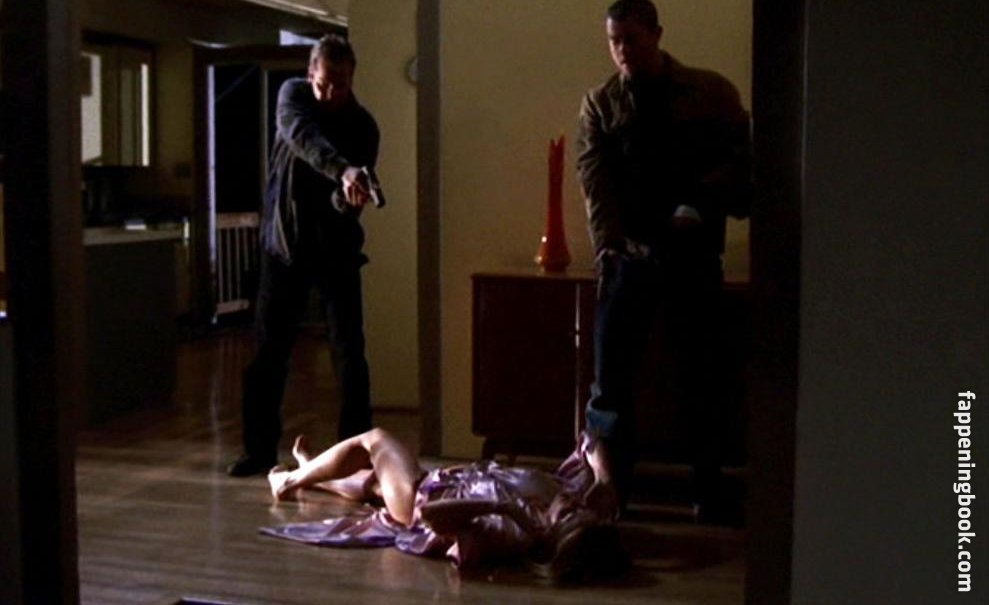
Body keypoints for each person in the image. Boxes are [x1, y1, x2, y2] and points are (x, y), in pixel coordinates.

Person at [577, 0, 751, 521]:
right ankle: (614, 492)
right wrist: (607, 247)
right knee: (610, 385)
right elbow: (595, 180)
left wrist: (700, 202)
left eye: (631, 39)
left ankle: (708, 492)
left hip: (693, 254)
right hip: (630, 256)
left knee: (703, 377)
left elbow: (743, 163)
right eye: (614, 41)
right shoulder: (602, 104)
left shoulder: (711, 92)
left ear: (656, 34)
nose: (622, 51)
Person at [228, 34, 381, 477]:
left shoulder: (363, 127)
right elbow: (302, 138)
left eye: (342, 85)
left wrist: (348, 195)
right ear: (311, 74)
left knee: (349, 356)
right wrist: (343, 170)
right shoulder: (293, 97)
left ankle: (356, 455)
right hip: (284, 248)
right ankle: (259, 451)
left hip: (336, 252)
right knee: (268, 354)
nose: (332, 93)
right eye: (324, 83)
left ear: (353, 79)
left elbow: (341, 205)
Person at [263, 428, 626, 580]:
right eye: (580, 510)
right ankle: (309, 469)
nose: (573, 503)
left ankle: (289, 480)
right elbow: (592, 440)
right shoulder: (569, 499)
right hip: (446, 480)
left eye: (569, 514)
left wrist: (502, 507)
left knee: (374, 441)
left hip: (419, 495)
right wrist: (605, 481)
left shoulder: (513, 531)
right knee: (372, 483)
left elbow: (427, 516)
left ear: (552, 532)